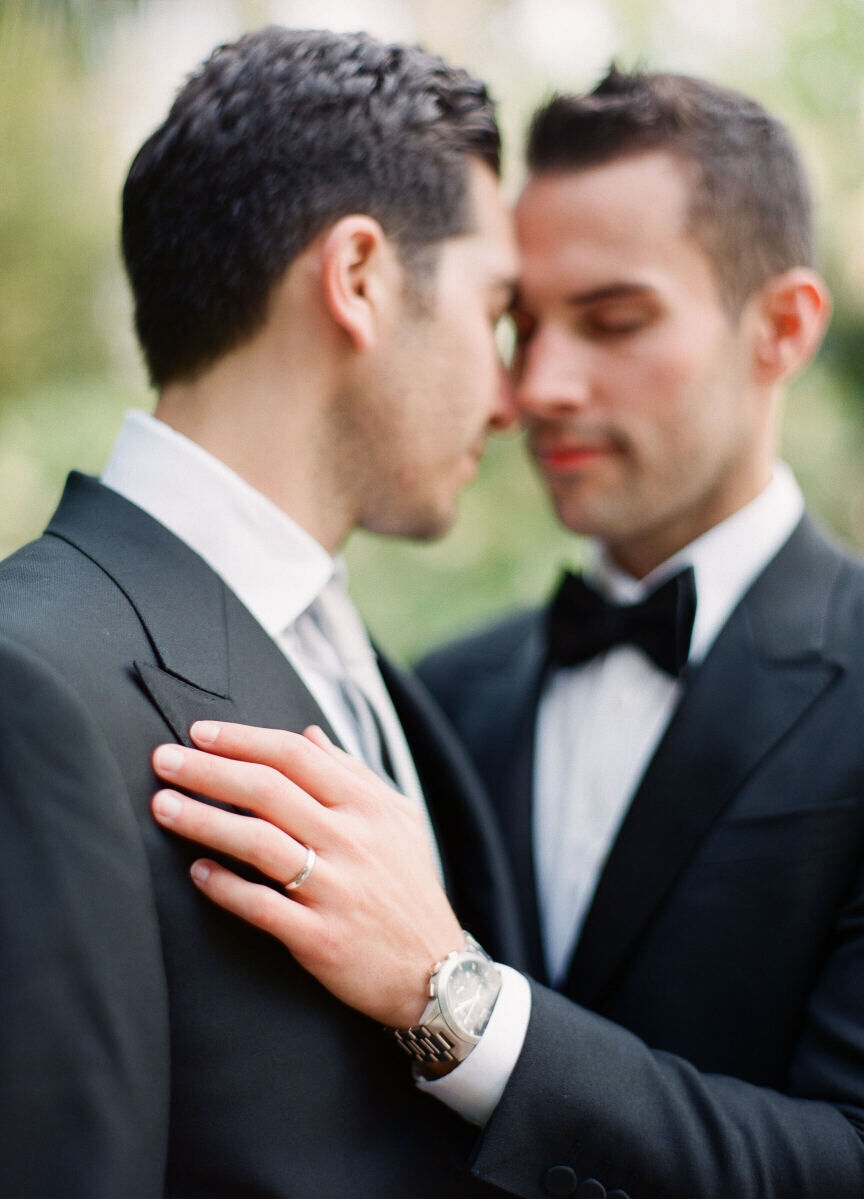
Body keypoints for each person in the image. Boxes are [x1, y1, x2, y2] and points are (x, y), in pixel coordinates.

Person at [150, 70, 864, 1198]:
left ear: (782, 326)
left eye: (614, 321)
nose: (540, 385)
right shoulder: (440, 695)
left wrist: (456, 997)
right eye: (517, 325)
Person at [0, 26, 530, 1198]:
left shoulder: (379, 672)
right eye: (495, 312)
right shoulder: (28, 678)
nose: (514, 397)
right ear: (358, 277)